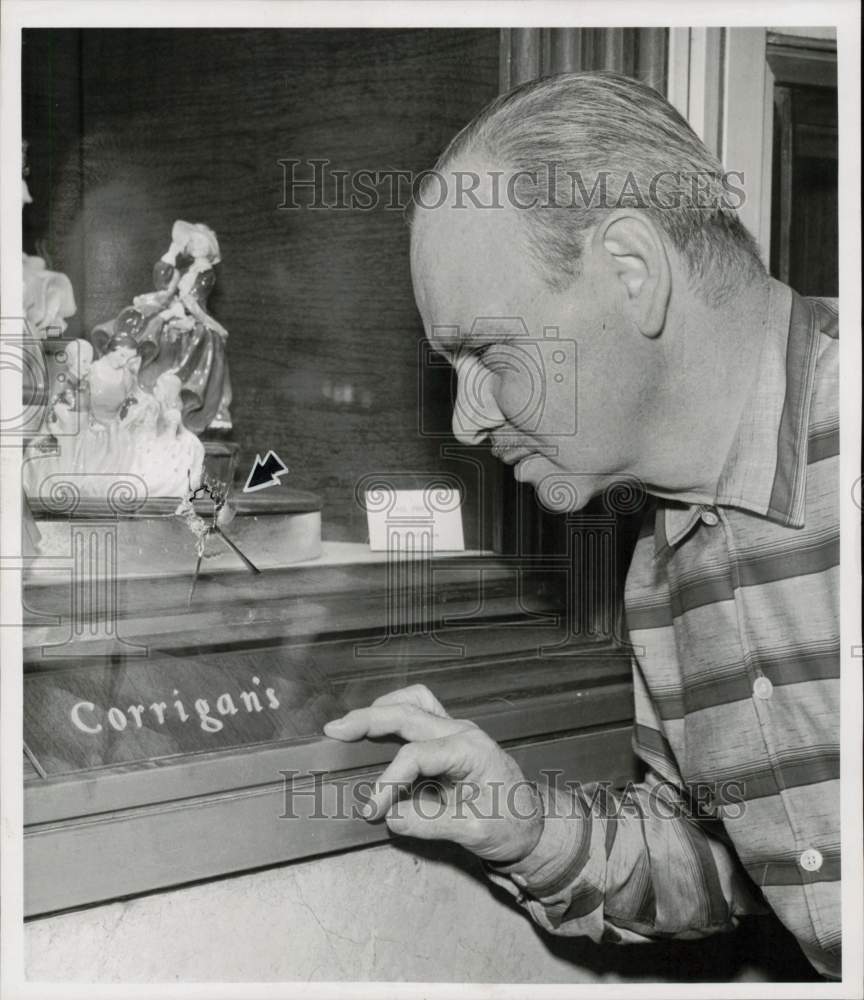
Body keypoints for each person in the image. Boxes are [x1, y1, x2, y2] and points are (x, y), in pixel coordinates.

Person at [323, 72, 840, 979]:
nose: (464, 421)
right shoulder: (658, 564)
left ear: (632, 272)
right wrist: (529, 827)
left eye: (483, 351)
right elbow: (733, 865)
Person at [91, 220, 232, 434]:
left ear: (210, 248)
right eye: (192, 242)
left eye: (201, 243)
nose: (195, 246)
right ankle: (126, 372)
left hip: (192, 315)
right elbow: (165, 286)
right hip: (176, 307)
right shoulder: (186, 269)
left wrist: (213, 325)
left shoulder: (206, 273)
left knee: (201, 337)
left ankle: (183, 400)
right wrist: (172, 253)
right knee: (141, 317)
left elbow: (193, 303)